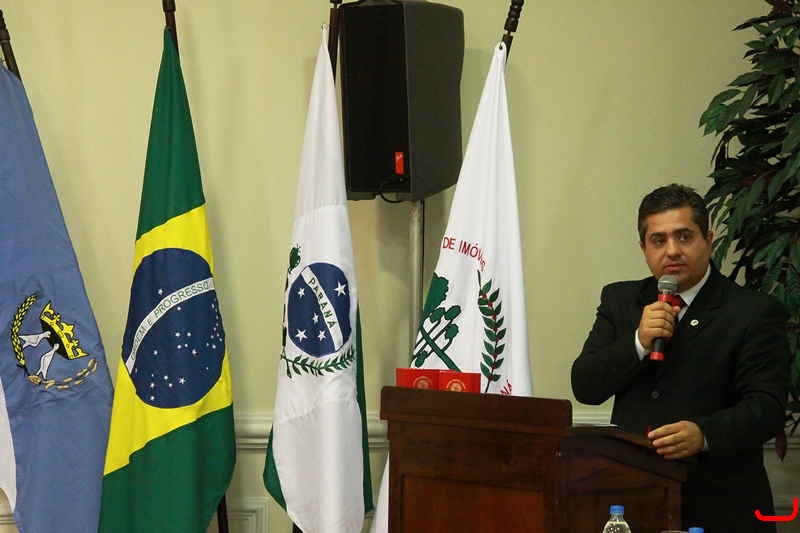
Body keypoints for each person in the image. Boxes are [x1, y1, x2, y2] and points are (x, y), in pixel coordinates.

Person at [572, 183, 792, 532]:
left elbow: (767, 407)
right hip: (635, 499)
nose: (672, 251)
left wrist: (704, 433)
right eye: (658, 241)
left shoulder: (753, 311)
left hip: (720, 504)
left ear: (708, 239)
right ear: (643, 248)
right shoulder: (621, 300)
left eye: (684, 237)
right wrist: (638, 342)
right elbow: (585, 386)